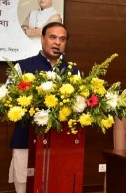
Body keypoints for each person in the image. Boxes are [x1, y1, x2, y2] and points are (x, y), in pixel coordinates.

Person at [9, 22, 76, 193]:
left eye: (62, 39)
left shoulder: (73, 70)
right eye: (53, 37)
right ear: (42, 39)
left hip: (60, 142)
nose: (57, 42)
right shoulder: (22, 67)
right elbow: (8, 100)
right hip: (26, 138)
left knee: (56, 185)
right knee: (24, 184)